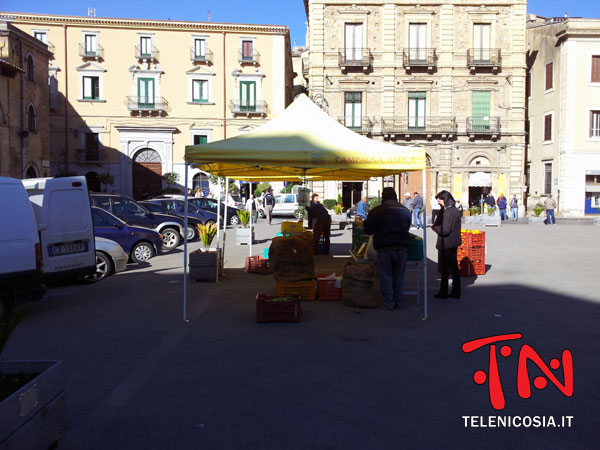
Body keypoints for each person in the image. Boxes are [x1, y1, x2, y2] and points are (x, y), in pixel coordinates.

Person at [363, 187, 411, 310]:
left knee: (386, 276)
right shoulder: (405, 211)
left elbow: (368, 229)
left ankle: (389, 303)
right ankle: (398, 302)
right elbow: (407, 227)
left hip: (384, 247)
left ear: (383, 196)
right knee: (398, 276)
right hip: (402, 247)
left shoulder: (377, 210)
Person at [432, 190, 462, 299]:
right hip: (452, 242)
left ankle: (444, 292)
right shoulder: (454, 210)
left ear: (445, 199)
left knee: (445, 269)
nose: (438, 202)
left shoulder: (448, 212)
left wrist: (435, 228)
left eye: (439, 200)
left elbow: (445, 230)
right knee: (453, 267)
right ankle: (455, 291)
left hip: (447, 243)